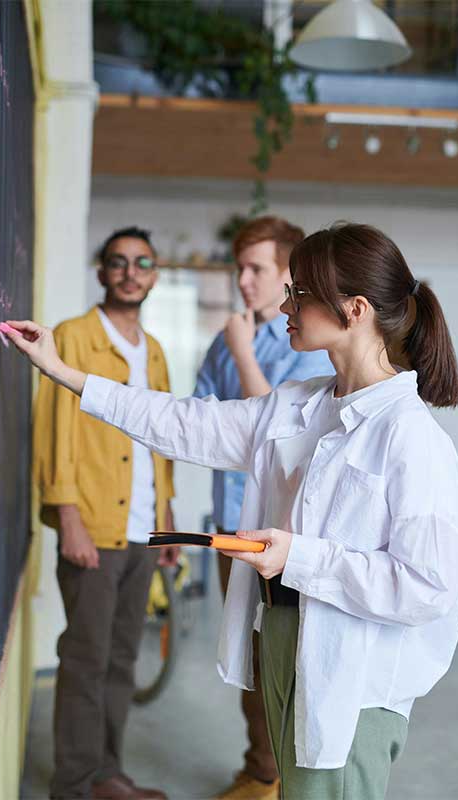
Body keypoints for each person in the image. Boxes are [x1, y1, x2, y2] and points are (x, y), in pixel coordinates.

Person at [7, 222, 458, 800]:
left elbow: (429, 586)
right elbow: (184, 423)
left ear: (354, 310)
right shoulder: (299, 404)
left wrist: (299, 558)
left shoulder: (411, 437)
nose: (285, 305)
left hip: (352, 668)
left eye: (299, 293)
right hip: (282, 634)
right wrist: (64, 372)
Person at [33, 226, 176, 800]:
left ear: (154, 275)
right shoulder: (72, 336)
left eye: (142, 263)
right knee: (85, 660)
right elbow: (54, 431)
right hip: (93, 526)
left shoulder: (155, 350)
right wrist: (68, 517)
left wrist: (166, 517)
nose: (130, 273)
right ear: (102, 272)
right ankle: (71, 785)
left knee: (121, 659)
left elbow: (163, 437)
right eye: (119, 262)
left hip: (143, 530)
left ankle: (105, 776)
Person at [194, 216, 333, 800]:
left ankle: (279, 777)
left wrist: (242, 351)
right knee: (246, 654)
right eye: (240, 268)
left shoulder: (308, 344)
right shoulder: (227, 337)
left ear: (286, 277)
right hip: (231, 523)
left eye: (257, 269)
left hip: (284, 534)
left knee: (286, 655)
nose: (244, 280)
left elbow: (275, 433)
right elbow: (203, 424)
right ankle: (261, 771)